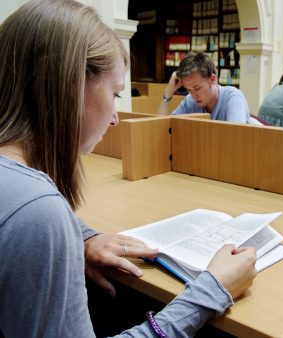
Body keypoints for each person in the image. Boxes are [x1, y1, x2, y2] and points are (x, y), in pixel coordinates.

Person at [0, 1, 257, 337]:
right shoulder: (38, 210)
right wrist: (210, 291)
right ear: (69, 85)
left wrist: (83, 237)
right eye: (116, 93)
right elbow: (31, 219)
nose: (116, 118)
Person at [157, 51, 261, 125]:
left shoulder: (233, 98)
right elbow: (162, 128)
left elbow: (234, 140)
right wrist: (168, 92)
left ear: (213, 79)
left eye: (197, 88)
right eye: (189, 90)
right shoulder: (190, 101)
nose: (193, 96)